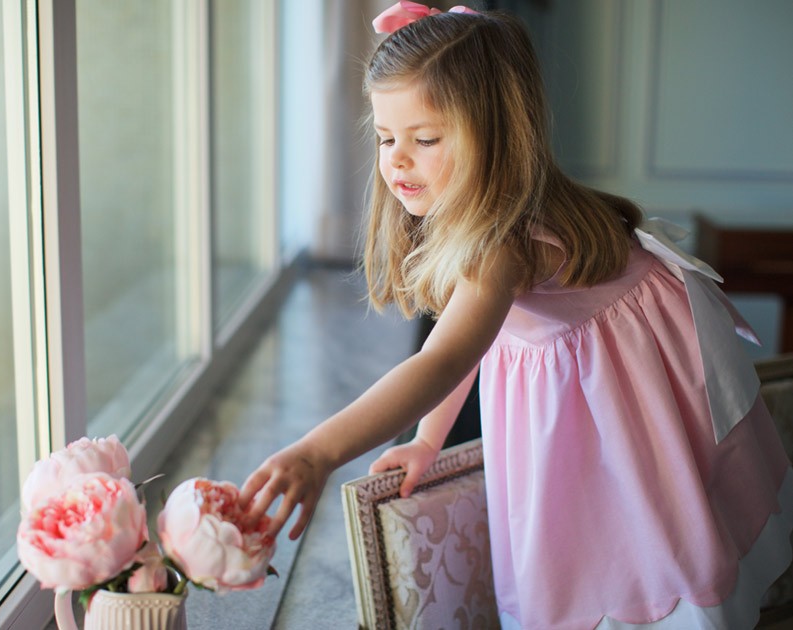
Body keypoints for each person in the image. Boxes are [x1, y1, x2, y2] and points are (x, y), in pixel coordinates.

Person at [239, 3, 793, 628]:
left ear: (495, 136)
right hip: (595, 373)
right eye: (386, 137)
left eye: (424, 139)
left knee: (646, 535)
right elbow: (467, 345)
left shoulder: (501, 242)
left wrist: (318, 451)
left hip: (626, 389)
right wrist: (427, 439)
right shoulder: (481, 208)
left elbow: (442, 359)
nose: (396, 161)